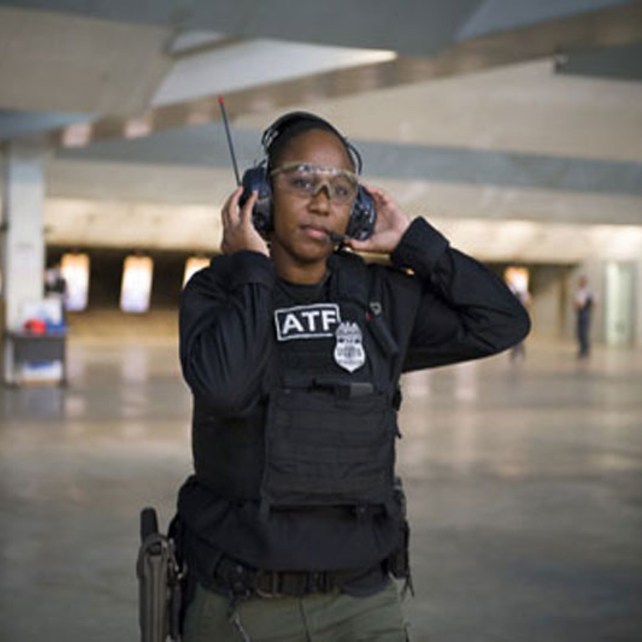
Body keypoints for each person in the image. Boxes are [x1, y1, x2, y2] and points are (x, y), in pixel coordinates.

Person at [175, 112, 531, 641]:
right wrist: (250, 270)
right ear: (260, 196)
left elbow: (503, 321)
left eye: (341, 190)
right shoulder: (218, 293)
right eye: (301, 182)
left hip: (362, 604)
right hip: (242, 606)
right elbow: (224, 390)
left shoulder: (381, 299)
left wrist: (415, 243)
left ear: (357, 210)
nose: (322, 201)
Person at [574, 275, 596, 359]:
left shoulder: (588, 292)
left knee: (584, 332)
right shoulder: (579, 291)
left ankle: (585, 350)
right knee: (579, 332)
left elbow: (593, 302)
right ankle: (581, 349)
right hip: (579, 312)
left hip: (585, 312)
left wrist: (586, 305)